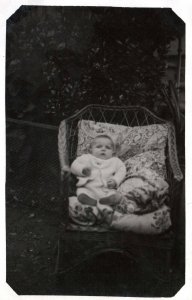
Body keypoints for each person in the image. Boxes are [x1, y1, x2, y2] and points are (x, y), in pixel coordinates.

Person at [71, 135, 126, 212]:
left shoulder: (115, 161)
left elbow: (122, 170)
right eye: (99, 147)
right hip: (87, 187)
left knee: (114, 194)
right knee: (81, 191)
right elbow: (74, 165)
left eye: (108, 148)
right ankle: (87, 199)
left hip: (105, 189)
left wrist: (115, 180)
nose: (103, 149)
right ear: (91, 149)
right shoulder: (86, 157)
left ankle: (110, 200)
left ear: (113, 151)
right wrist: (82, 170)